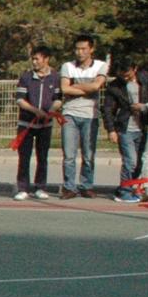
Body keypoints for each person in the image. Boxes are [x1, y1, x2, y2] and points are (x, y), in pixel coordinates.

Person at [58, 34, 108, 199]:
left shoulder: (101, 65)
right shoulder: (67, 66)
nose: (80, 52)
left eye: (83, 49)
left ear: (91, 49)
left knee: (88, 154)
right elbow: (65, 89)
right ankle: (69, 187)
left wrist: (76, 86)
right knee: (69, 155)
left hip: (90, 115)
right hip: (70, 114)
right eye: (77, 49)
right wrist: (87, 88)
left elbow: (96, 86)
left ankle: (86, 186)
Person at [13, 46, 61, 201]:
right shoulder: (26, 77)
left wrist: (50, 112)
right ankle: (23, 188)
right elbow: (20, 100)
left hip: (45, 125)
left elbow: (58, 99)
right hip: (26, 124)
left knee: (43, 157)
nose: (34, 62)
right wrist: (35, 111)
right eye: (32, 59)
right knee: (24, 157)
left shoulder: (55, 77)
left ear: (46, 59)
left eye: (37, 59)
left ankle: (40, 187)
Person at [103, 59, 145, 202]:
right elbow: (108, 109)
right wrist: (111, 130)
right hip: (125, 128)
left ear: (135, 68)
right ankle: (125, 191)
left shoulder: (145, 80)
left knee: (140, 162)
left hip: (143, 128)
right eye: (122, 75)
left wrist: (143, 107)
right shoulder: (114, 86)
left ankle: (128, 187)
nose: (125, 78)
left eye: (127, 74)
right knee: (130, 161)